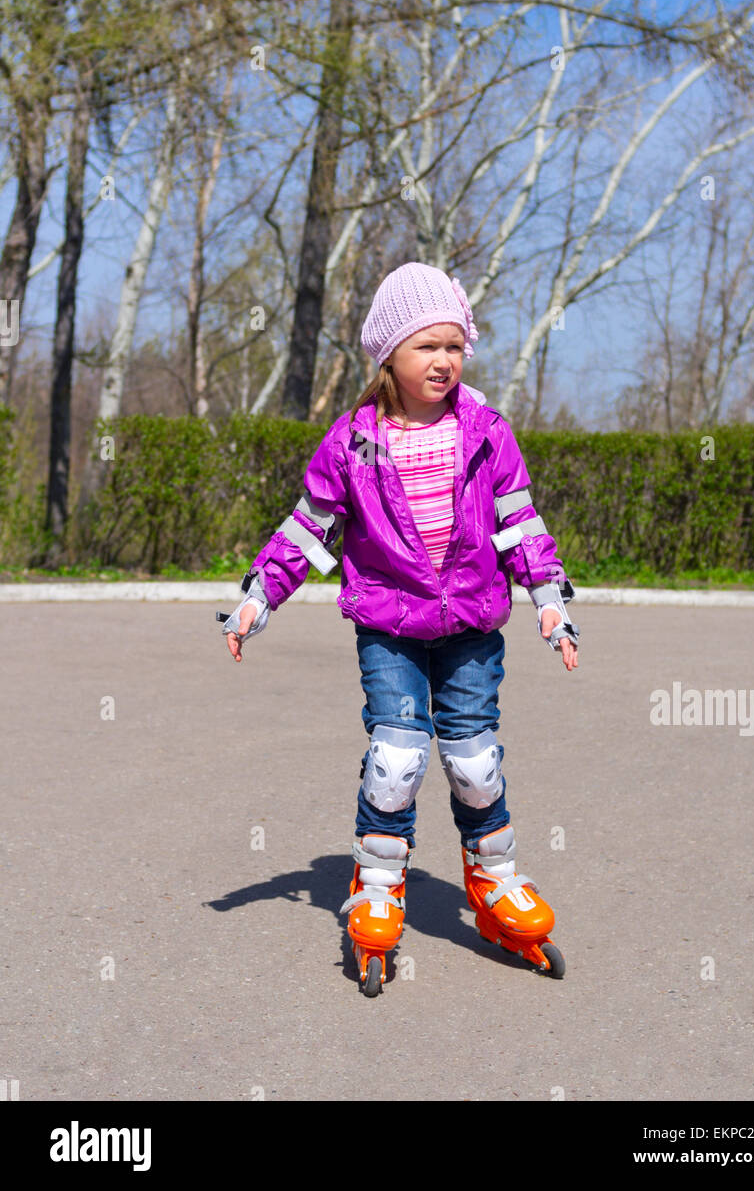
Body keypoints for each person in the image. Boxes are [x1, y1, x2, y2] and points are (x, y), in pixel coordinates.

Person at [221, 262, 579, 995]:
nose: (444, 361)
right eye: (426, 346)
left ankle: (494, 884)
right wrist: (258, 598)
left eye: (454, 345)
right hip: (389, 625)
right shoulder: (353, 440)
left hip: (472, 625)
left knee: (475, 764)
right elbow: (309, 529)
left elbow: (520, 523)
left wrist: (548, 596)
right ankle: (378, 885)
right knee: (397, 758)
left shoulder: (486, 431)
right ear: (388, 354)